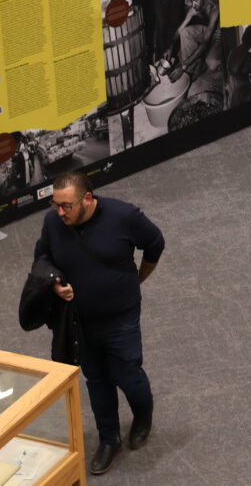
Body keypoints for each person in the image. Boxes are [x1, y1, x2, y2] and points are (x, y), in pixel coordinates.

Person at [33, 171, 164, 475]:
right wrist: (54, 282)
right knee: (97, 381)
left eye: (66, 206)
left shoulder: (123, 216)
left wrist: (138, 278)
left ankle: (143, 417)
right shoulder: (54, 223)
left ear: (88, 199)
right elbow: (41, 257)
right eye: (56, 205)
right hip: (80, 321)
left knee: (128, 374)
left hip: (121, 317)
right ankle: (109, 439)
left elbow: (155, 243)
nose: (60, 212)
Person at [225, 24, 251, 108]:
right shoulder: (249, 57)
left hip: (231, 94)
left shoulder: (232, 51)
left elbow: (230, 71)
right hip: (243, 96)